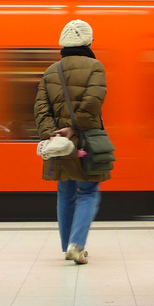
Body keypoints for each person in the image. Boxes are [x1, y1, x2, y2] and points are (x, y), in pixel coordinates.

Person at [34, 20, 108, 265]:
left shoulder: (51, 71)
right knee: (87, 192)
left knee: (65, 192)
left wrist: (52, 134)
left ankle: (67, 245)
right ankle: (77, 245)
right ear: (88, 42)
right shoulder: (95, 67)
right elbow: (93, 104)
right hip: (85, 140)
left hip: (59, 144)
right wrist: (73, 128)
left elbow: (40, 108)